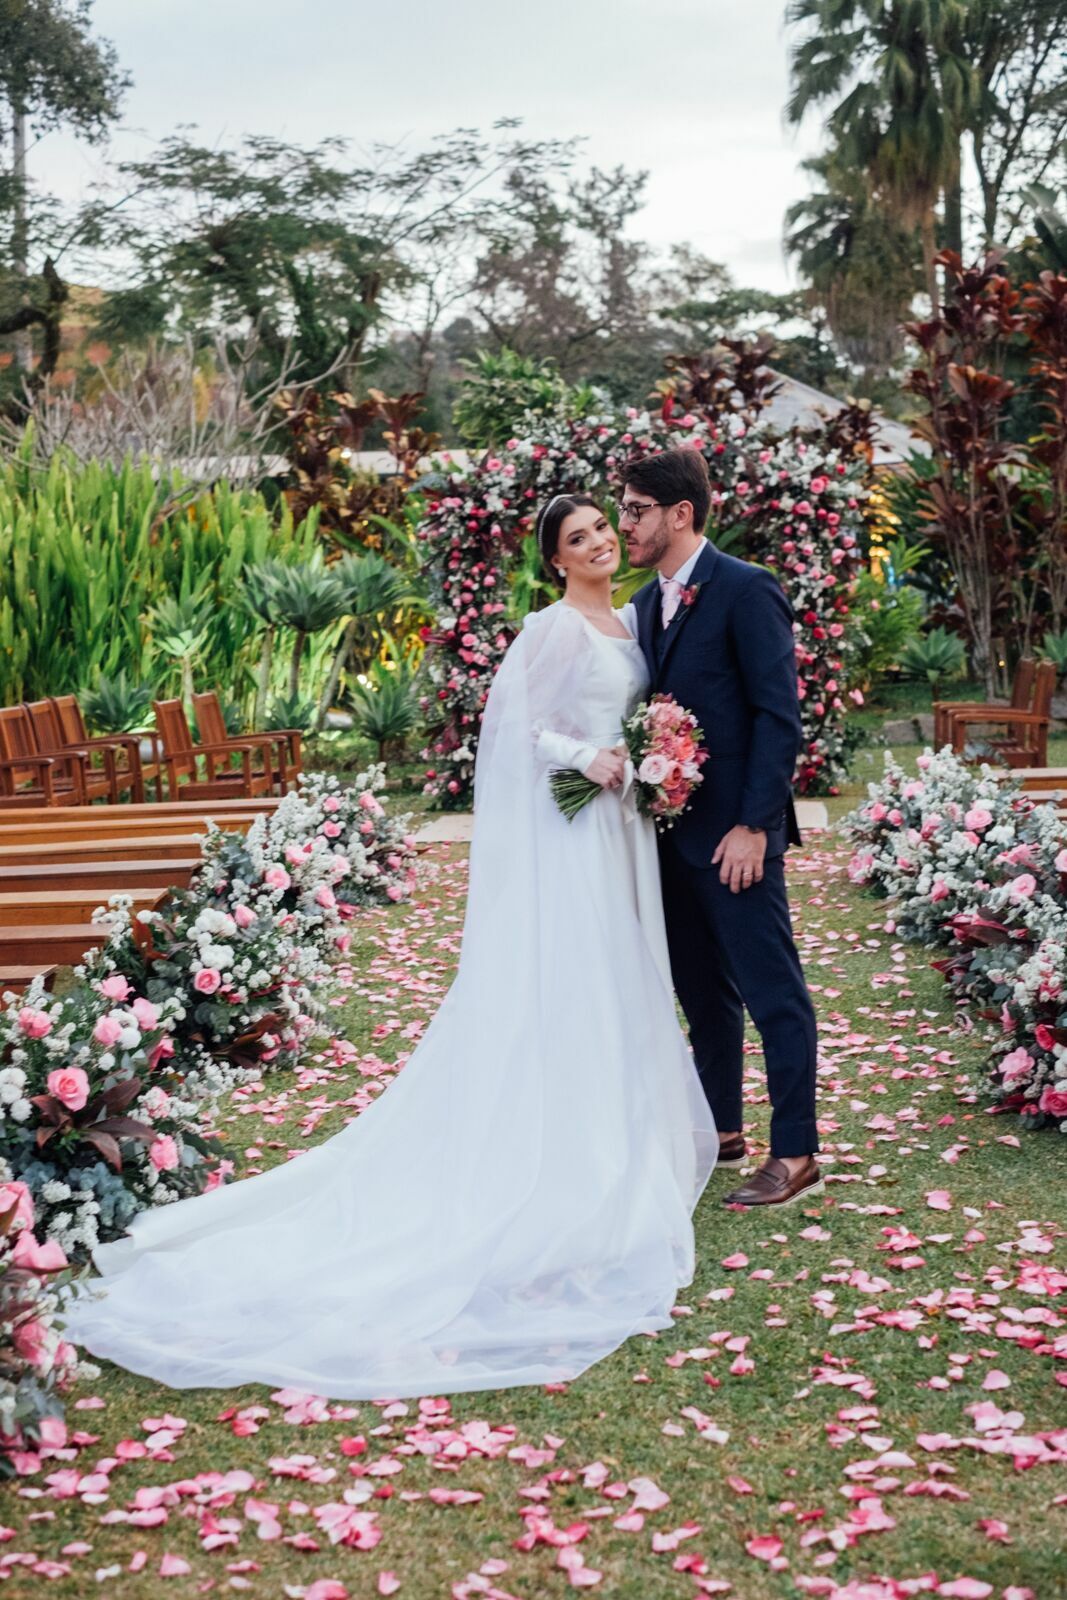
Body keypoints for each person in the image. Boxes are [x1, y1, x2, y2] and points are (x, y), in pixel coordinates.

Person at [62, 494, 717, 1399]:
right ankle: (569, 1155)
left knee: (617, 977)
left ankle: (617, 1132)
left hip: (617, 832)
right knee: (576, 980)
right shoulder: (555, 627)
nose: (601, 542)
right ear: (555, 560)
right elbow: (521, 730)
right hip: (578, 831)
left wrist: (650, 754)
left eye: (604, 528)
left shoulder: (632, 614)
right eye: (579, 539)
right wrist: (591, 759)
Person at [621, 445, 822, 1208]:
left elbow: (779, 715)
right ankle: (721, 1129)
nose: (624, 524)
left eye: (636, 510)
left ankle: (797, 1150)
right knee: (701, 995)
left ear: (681, 513)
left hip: (736, 840)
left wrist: (754, 826)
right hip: (669, 841)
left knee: (773, 993)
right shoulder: (642, 606)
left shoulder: (745, 589)